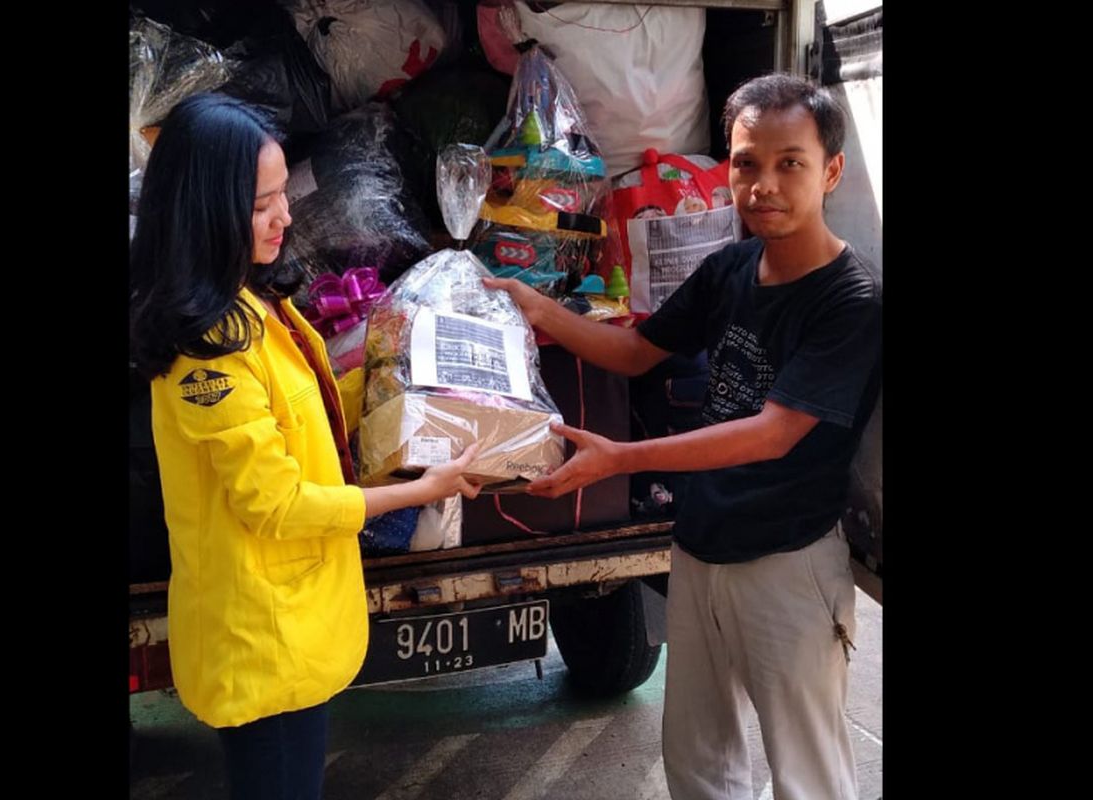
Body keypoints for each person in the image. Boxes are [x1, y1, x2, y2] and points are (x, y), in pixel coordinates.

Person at [486, 73, 882, 800]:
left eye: (788, 163)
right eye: (745, 163)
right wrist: (532, 306)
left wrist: (619, 459)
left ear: (831, 171)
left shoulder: (853, 299)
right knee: (699, 769)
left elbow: (771, 433)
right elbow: (638, 353)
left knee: (809, 780)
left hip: (787, 565)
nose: (762, 184)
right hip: (700, 548)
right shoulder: (731, 266)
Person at [129, 92, 480, 800]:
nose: (286, 217)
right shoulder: (207, 355)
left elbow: (305, 418)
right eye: (263, 204)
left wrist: (390, 372)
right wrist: (421, 491)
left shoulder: (258, 306)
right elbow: (277, 505)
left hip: (294, 621)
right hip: (259, 633)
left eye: (281, 195)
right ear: (208, 209)